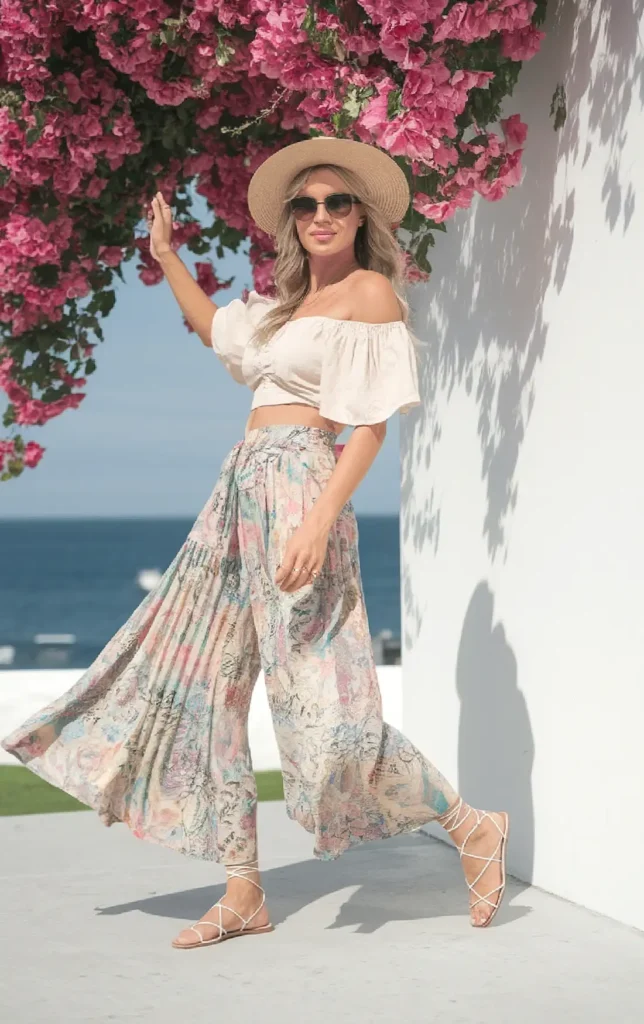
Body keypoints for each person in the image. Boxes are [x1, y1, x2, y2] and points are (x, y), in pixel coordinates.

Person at [1, 137, 509, 948]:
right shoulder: (280, 308)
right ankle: (244, 892)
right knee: (212, 690)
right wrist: (167, 256)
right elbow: (216, 332)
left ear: (359, 215)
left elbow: (371, 429)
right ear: (291, 221)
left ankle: (471, 824)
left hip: (306, 489)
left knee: (330, 710)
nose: (319, 216)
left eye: (335, 202)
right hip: (239, 495)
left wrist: (317, 521)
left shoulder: (370, 293)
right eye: (305, 205)